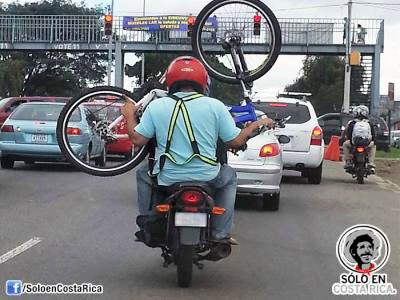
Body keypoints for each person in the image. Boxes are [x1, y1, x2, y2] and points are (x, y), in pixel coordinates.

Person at [121, 56, 274, 243]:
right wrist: (258, 124)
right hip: (208, 176)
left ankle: (149, 223)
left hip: (168, 177)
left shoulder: (156, 106)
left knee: (143, 173)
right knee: (229, 176)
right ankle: (221, 232)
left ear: (170, 81)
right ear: (203, 81)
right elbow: (235, 141)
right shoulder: (215, 106)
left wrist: (129, 114)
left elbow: (137, 140)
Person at [342, 105, 376, 171]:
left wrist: (342, 138)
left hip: (354, 143)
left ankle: (348, 161)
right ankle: (371, 162)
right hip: (367, 143)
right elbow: (373, 135)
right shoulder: (369, 123)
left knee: (345, 145)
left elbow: (346, 132)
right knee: (373, 146)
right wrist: (373, 140)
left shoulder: (351, 122)